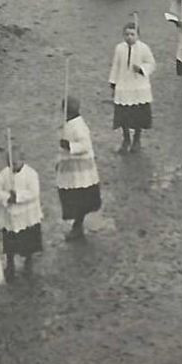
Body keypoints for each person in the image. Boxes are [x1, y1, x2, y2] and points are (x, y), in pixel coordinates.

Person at [0, 147, 43, 280]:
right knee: (9, 242)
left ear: (22, 160)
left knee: (28, 240)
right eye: (8, 163)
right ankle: (10, 264)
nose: (11, 166)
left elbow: (34, 193)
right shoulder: (4, 174)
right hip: (10, 215)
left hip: (26, 215)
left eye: (14, 163)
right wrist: (7, 197)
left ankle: (28, 261)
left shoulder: (31, 174)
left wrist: (18, 196)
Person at [56, 96, 102, 240]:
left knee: (79, 200)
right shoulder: (69, 124)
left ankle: (78, 226)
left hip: (81, 174)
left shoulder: (79, 126)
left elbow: (85, 146)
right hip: (71, 172)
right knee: (73, 200)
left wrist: (69, 146)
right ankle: (77, 226)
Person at [109, 21, 155, 152]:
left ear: (138, 35)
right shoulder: (119, 48)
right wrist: (113, 83)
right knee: (124, 116)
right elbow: (115, 66)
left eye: (132, 34)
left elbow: (151, 64)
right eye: (127, 34)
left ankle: (137, 140)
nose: (129, 37)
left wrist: (141, 69)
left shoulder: (144, 48)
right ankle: (126, 139)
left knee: (138, 116)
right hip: (123, 86)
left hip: (139, 87)